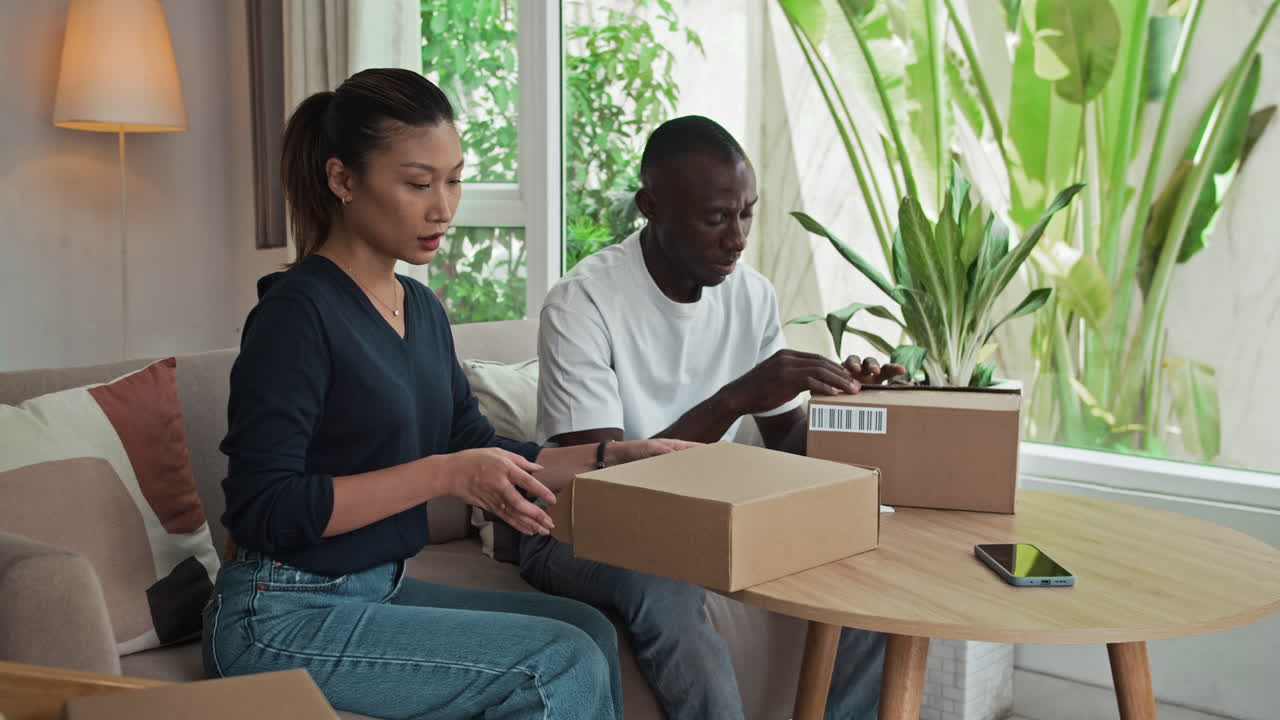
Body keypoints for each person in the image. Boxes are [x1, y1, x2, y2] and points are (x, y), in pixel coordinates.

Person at [204, 68, 693, 720]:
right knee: (557, 661)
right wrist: (444, 474)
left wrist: (612, 458)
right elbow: (265, 509)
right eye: (417, 183)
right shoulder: (296, 314)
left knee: (589, 630)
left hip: (377, 589)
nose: (443, 208)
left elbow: (478, 446)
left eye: (455, 180)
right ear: (342, 179)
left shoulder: (422, 310)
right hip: (278, 614)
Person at [518, 115, 905, 720]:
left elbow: (789, 441)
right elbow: (602, 486)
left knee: (868, 550)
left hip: (709, 513)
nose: (738, 238)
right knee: (661, 583)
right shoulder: (583, 301)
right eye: (716, 217)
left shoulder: (751, 294)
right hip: (572, 525)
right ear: (651, 206)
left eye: (747, 213)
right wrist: (733, 399)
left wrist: (851, 407)